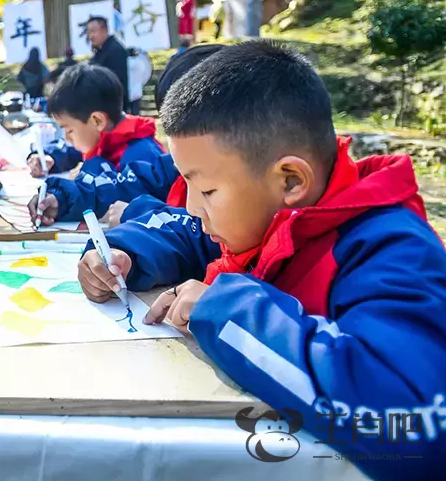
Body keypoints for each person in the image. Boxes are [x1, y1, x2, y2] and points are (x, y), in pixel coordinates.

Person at [77, 41, 446, 478]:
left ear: (290, 180)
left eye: (208, 190)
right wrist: (127, 254)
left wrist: (227, 310)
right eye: (187, 184)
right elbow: (187, 232)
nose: (193, 205)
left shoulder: (388, 251)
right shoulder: (263, 217)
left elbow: (411, 428)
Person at [32, 45, 224, 225]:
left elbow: (193, 231)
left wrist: (135, 213)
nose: (67, 138)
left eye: (69, 130)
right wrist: (62, 197)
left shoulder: (142, 153)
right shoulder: (167, 164)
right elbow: (123, 186)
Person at [27, 64, 164, 183]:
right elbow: (73, 152)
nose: (67, 139)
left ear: (97, 120)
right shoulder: (102, 138)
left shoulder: (142, 159)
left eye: (69, 131)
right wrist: (50, 158)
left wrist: (89, 181)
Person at [86, 16, 131, 113]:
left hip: (113, 108)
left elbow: (116, 82)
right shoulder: (101, 50)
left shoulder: (115, 50)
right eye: (89, 32)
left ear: (104, 30)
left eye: (93, 31)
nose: (90, 36)